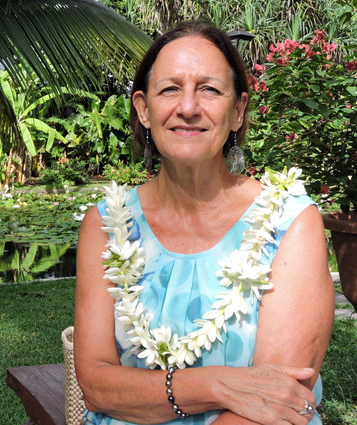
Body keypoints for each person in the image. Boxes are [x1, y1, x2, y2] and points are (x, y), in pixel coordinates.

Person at [73, 22, 335, 425]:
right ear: (143, 109)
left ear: (238, 111)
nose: (189, 107)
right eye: (170, 89)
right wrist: (217, 385)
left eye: (210, 89)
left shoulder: (291, 222)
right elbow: (96, 384)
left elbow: (278, 401)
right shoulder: (107, 225)